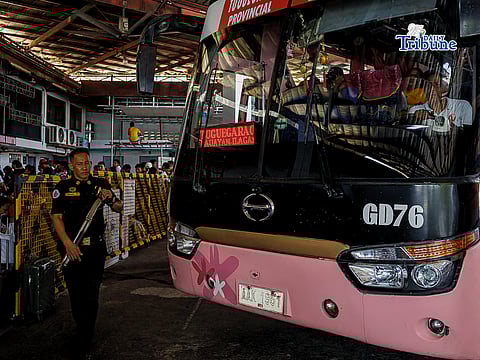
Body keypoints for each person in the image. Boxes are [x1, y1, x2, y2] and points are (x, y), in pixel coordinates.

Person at [51, 148, 122, 359]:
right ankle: (82, 328)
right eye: (80, 164)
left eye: (87, 163)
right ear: (72, 165)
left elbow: (118, 207)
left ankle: (86, 334)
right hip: (72, 249)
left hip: (95, 251)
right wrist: (67, 245)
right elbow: (56, 218)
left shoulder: (100, 185)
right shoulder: (62, 188)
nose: (85, 167)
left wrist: (110, 197)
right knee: (75, 293)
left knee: (91, 293)